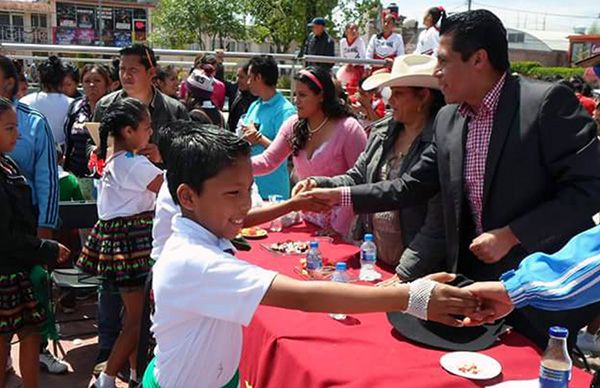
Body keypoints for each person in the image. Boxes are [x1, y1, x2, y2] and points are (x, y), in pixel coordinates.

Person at [302, 9, 600, 350]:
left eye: (442, 61)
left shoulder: (543, 105)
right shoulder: (448, 119)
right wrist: (338, 194)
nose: (436, 72)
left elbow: (589, 189)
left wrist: (512, 234)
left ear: (479, 60)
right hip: (471, 289)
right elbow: (410, 187)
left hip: (535, 292)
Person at [141, 126, 486, 388]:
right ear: (187, 196)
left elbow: (241, 219)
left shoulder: (201, 230)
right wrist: (414, 297)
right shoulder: (194, 260)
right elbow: (305, 297)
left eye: (248, 190)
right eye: (232, 193)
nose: (245, 204)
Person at [296, 55, 446, 279]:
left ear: (423, 96)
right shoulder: (382, 131)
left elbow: (434, 222)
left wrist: (406, 272)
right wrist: (320, 183)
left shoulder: (441, 141)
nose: (389, 101)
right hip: (375, 260)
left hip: (418, 271)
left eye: (398, 94)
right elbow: (358, 176)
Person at [76, 98, 163, 388]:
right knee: (138, 320)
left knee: (133, 315)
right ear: (128, 131)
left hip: (124, 242)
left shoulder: (119, 159)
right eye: (147, 127)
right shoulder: (133, 164)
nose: (150, 133)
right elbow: (171, 190)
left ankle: (135, 372)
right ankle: (108, 376)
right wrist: (162, 160)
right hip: (131, 243)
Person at [0, 56, 69, 374]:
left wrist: (45, 236)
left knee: (32, 318)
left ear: (11, 81)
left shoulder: (33, 122)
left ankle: (41, 353)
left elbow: (47, 182)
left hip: (26, 241)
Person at [251, 66, 366, 236]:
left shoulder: (349, 129)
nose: (296, 101)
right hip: (307, 223)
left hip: (344, 228)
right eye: (295, 94)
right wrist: (227, 166)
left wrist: (338, 228)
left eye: (303, 95)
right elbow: (268, 161)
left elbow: (360, 182)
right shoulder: (293, 125)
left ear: (321, 96)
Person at [94, 44, 189, 163]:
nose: (126, 76)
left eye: (133, 70)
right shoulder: (105, 105)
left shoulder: (174, 110)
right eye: (122, 69)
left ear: (151, 72)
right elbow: (91, 143)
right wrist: (100, 152)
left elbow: (188, 155)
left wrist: (161, 157)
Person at [243, 55, 296, 199]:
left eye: (250, 77)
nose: (248, 82)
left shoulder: (286, 110)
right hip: (251, 188)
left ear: (258, 77)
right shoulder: (254, 105)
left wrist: (259, 138)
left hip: (273, 191)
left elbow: (288, 152)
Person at [64, 64, 111, 177]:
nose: (92, 85)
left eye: (97, 80)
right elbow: (68, 142)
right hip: (76, 173)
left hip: (105, 174)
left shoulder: (114, 107)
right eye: (87, 81)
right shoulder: (76, 106)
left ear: (106, 84)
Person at [20, 56, 73, 147]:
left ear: (40, 77)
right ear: (63, 79)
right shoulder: (73, 104)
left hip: (33, 154)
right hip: (64, 156)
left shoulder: (24, 102)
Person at [337, 22, 366, 95]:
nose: (354, 31)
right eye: (352, 29)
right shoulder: (342, 42)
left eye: (356, 29)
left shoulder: (359, 41)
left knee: (353, 88)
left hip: (358, 68)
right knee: (340, 84)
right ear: (346, 31)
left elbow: (362, 56)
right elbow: (342, 56)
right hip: (347, 67)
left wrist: (352, 64)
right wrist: (347, 64)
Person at [227, 62, 257, 132]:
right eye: (237, 76)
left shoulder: (257, 99)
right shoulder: (236, 91)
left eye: (241, 77)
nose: (238, 80)